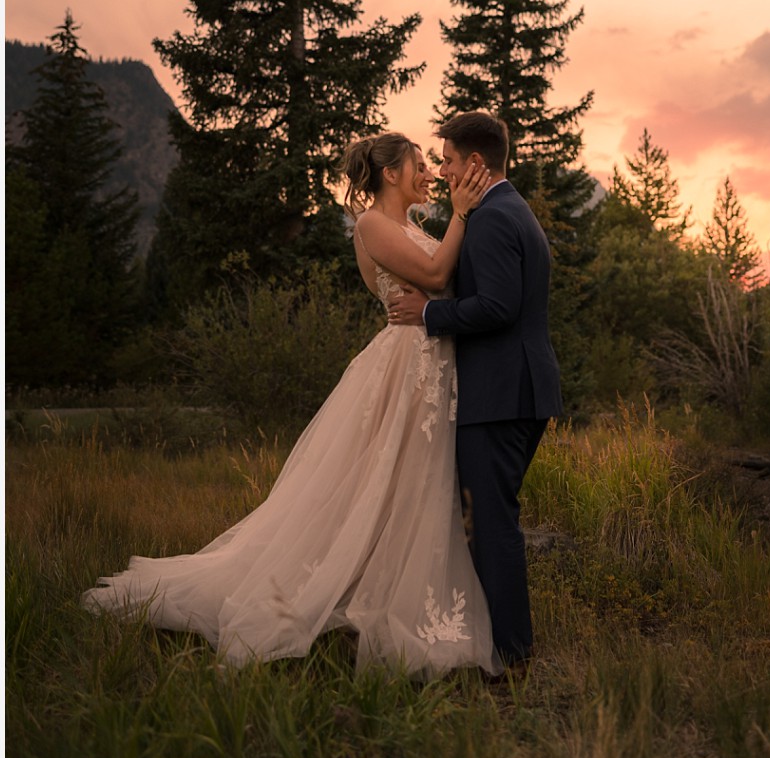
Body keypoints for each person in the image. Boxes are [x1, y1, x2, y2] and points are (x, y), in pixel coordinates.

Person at [82, 133, 503, 679]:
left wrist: (457, 217)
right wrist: (464, 214)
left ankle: (388, 577)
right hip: (406, 368)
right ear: (392, 174)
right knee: (381, 481)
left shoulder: (417, 227)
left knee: (413, 485)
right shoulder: (373, 224)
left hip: (433, 367)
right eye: (419, 165)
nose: (427, 172)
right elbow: (435, 276)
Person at [387, 111, 563, 669]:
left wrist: (430, 311)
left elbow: (498, 306)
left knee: (491, 523)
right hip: (521, 389)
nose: (441, 170)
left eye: (447, 160)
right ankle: (498, 640)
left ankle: (511, 655)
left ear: (475, 164)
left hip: (499, 394)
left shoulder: (490, 218)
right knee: (490, 519)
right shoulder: (516, 209)